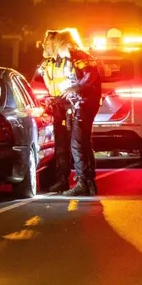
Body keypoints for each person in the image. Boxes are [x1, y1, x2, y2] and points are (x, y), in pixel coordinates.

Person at [53, 30, 103, 197]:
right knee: (84, 143)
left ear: (64, 44)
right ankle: (88, 182)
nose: (56, 51)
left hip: (85, 104)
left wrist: (76, 88)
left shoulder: (80, 57)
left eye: (57, 46)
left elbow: (91, 76)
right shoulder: (72, 59)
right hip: (82, 104)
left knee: (77, 144)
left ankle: (83, 181)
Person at [36, 30, 72, 192]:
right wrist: (50, 98)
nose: (44, 44)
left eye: (48, 41)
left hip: (70, 106)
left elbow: (74, 84)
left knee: (75, 145)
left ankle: (82, 181)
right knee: (60, 145)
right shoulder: (46, 63)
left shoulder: (67, 60)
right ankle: (60, 179)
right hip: (57, 106)